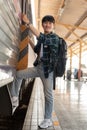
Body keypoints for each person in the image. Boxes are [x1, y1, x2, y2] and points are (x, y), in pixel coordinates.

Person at [10, 14, 60, 129]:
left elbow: (42, 37)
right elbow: (37, 50)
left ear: (53, 26)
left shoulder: (54, 38)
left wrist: (28, 24)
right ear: (42, 24)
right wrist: (28, 41)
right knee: (18, 74)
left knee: (48, 96)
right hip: (38, 68)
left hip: (48, 71)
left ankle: (47, 119)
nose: (47, 25)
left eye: (50, 23)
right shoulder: (42, 39)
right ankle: (14, 98)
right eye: (45, 22)